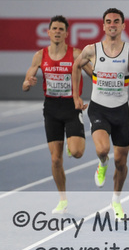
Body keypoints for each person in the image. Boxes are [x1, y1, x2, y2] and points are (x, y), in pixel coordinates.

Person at [72, 8, 129, 220]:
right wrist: (76, 97)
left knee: (122, 163)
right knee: (103, 148)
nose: (112, 24)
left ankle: (116, 199)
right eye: (108, 21)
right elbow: (76, 66)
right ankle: (102, 163)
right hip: (99, 109)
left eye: (116, 21)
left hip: (121, 112)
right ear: (103, 26)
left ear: (123, 26)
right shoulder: (92, 50)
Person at [22, 15, 92, 214]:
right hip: (51, 109)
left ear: (67, 33)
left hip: (71, 107)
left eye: (62, 29)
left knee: (77, 152)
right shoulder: (39, 55)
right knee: (55, 159)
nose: (58, 32)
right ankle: (62, 199)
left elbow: (92, 73)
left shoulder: (76, 53)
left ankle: (72, 143)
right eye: (55, 28)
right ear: (49, 32)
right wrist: (28, 84)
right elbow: (26, 83)